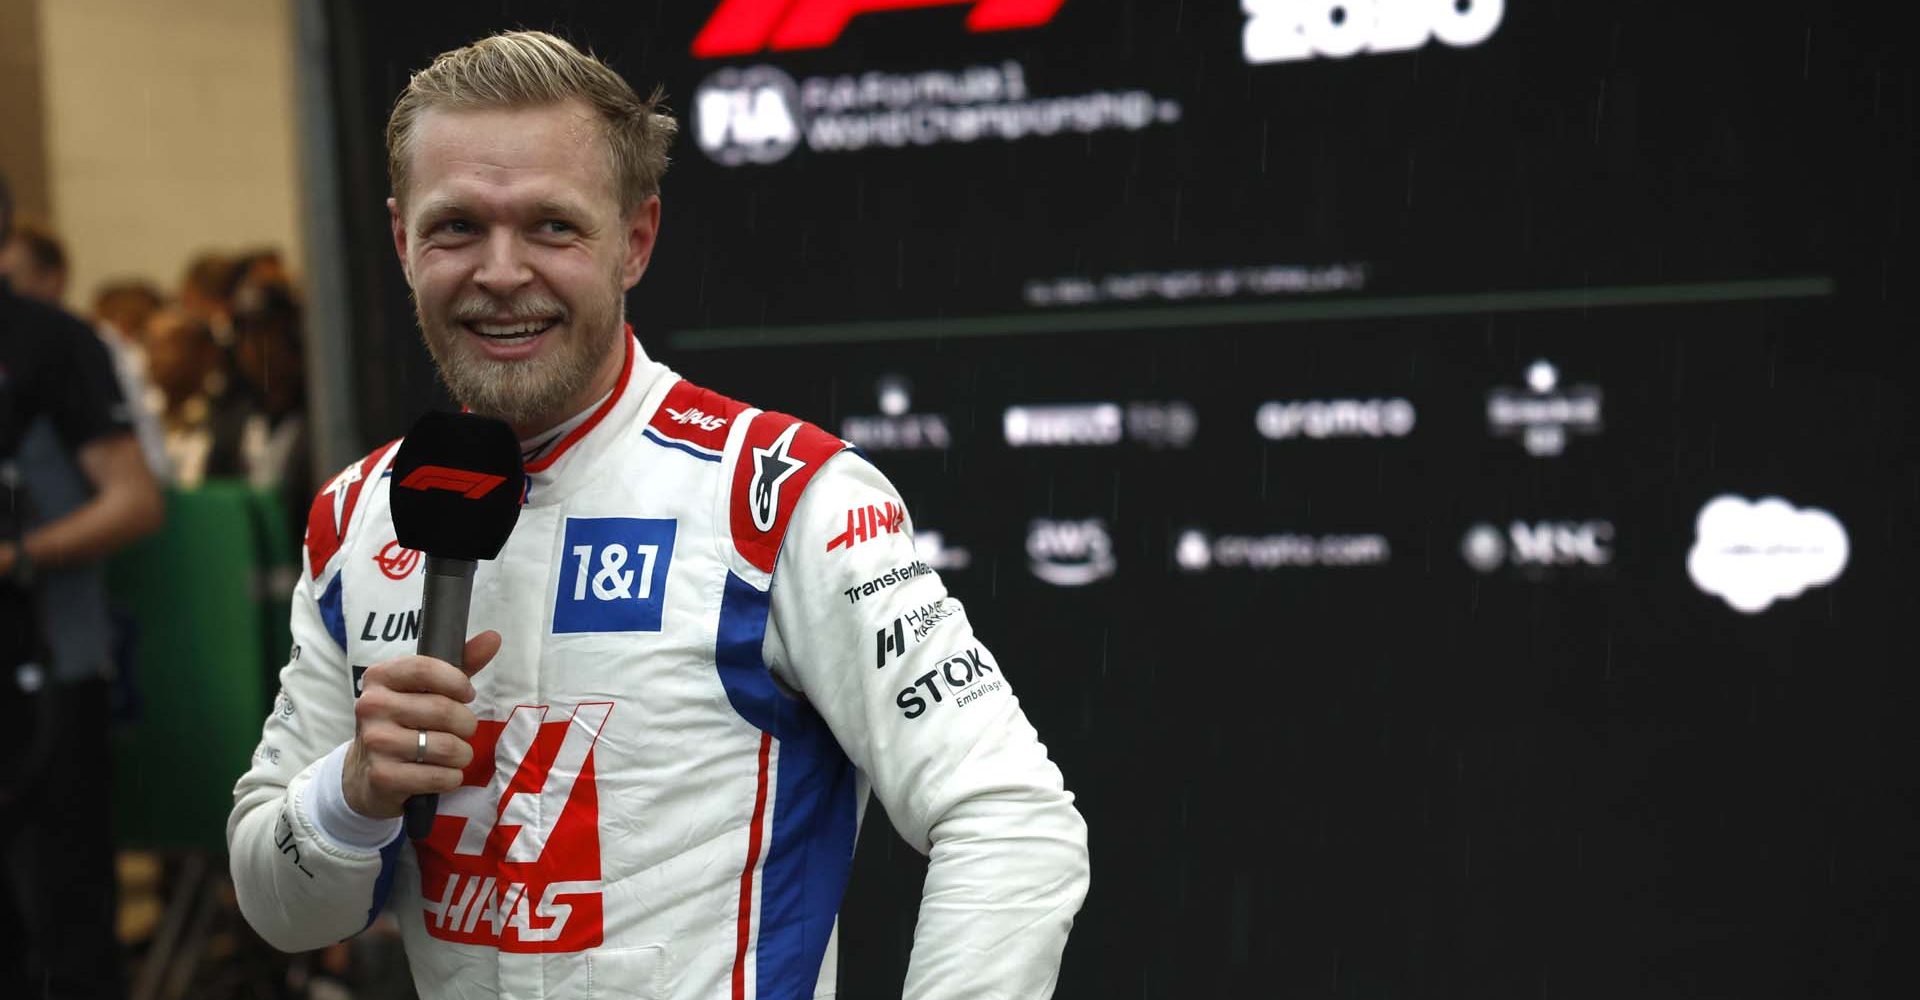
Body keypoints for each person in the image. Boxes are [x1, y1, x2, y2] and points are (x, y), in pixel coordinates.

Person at [227, 30, 1089, 1000]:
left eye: (552, 227)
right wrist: (351, 794)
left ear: (635, 240)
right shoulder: (358, 517)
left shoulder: (782, 494)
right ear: (400, 241)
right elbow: (282, 907)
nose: (501, 272)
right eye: (456, 227)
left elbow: (1010, 815)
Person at [0, 171, 166, 998]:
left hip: (52, 678)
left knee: (67, 929)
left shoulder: (50, 342)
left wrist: (19, 555)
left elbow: (137, 500)